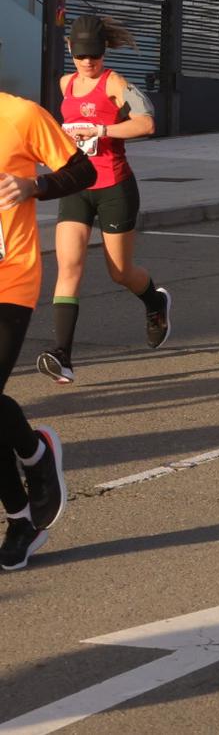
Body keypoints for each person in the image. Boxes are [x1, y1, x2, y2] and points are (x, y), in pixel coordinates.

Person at [35, 16, 171, 386]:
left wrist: (103, 130)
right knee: (69, 267)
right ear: (70, 52)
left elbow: (147, 122)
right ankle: (62, 355)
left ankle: (155, 303)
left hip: (114, 187)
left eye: (94, 56)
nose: (88, 63)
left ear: (104, 51)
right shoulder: (66, 84)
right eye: (81, 57)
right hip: (76, 186)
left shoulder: (115, 82)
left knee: (120, 272)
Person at [0, 84, 93, 569]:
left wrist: (32, 186)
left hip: (8, 279)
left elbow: (84, 169)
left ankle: (23, 508)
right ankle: (31, 463)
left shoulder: (20, 116)